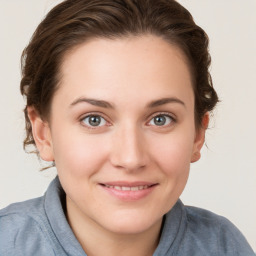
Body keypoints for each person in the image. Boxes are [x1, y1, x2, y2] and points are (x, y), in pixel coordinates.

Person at [0, 0, 254, 255]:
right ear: (44, 134)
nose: (131, 158)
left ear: (198, 134)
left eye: (160, 119)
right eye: (94, 119)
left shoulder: (225, 246)